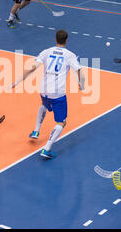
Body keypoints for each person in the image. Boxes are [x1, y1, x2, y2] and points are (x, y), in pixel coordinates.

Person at [13, 30, 84, 159]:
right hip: (57, 93)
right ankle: (47, 149)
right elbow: (78, 69)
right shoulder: (70, 55)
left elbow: (33, 67)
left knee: (44, 105)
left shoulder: (46, 51)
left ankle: (36, 131)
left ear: (55, 39)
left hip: (44, 90)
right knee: (62, 122)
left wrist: (19, 80)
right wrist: (81, 83)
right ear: (66, 40)